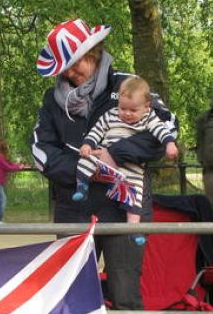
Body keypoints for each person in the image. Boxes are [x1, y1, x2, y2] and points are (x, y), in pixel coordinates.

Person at [31, 18, 175, 314]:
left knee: (127, 296)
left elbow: (164, 133)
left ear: (93, 55)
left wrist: (115, 158)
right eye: (66, 67)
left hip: (123, 204)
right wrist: (81, 169)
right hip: (73, 205)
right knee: (69, 296)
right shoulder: (52, 99)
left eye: (77, 63)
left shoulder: (130, 86)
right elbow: (40, 150)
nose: (72, 72)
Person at [75, 76, 178, 245]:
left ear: (147, 107)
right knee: (85, 159)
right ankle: (82, 185)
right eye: (123, 108)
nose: (127, 114)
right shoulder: (111, 115)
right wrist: (87, 144)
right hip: (102, 156)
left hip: (132, 166)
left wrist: (169, 145)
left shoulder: (150, 118)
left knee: (135, 194)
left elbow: (162, 131)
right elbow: (96, 131)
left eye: (133, 110)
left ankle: (133, 229)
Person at [0, 140, 28, 224]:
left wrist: (21, 166)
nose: (8, 148)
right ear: (3, 148)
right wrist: (19, 167)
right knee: (2, 199)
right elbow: (8, 167)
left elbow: (11, 165)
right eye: (7, 147)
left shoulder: (3, 157)